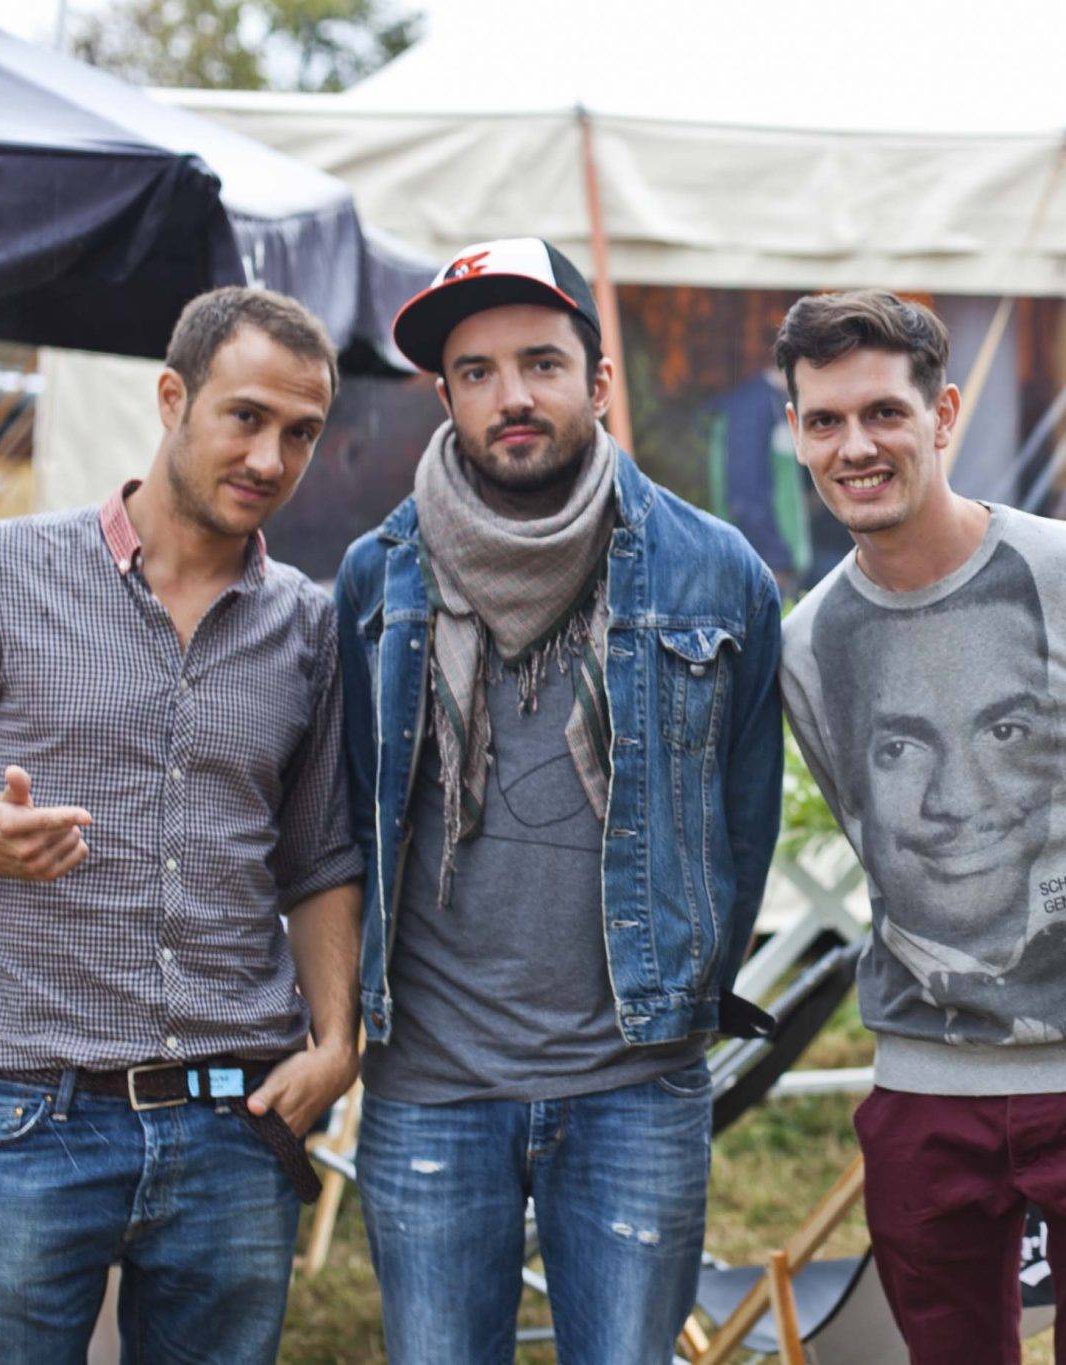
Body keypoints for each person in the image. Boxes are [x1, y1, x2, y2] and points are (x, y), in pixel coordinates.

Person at [337, 237, 782, 1364]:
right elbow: (347, 817)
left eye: (540, 362)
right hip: (431, 1086)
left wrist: (679, 1000)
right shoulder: (374, 577)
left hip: (634, 1088)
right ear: (443, 397)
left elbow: (743, 816)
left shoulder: (714, 571)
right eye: (476, 373)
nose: (512, 397)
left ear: (595, 380)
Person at [0, 287, 363, 1362]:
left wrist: (337, 1044)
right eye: (244, 416)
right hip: (32, 1117)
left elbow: (316, 856)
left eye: (300, 434)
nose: (269, 458)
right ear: (171, 398)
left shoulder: (308, 625)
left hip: (236, 1128)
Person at [777, 290, 1066, 1364]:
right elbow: (880, 833)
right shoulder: (807, 644)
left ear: (943, 414)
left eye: (881, 413)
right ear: (794, 432)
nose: (853, 445)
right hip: (926, 1079)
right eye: (823, 421)